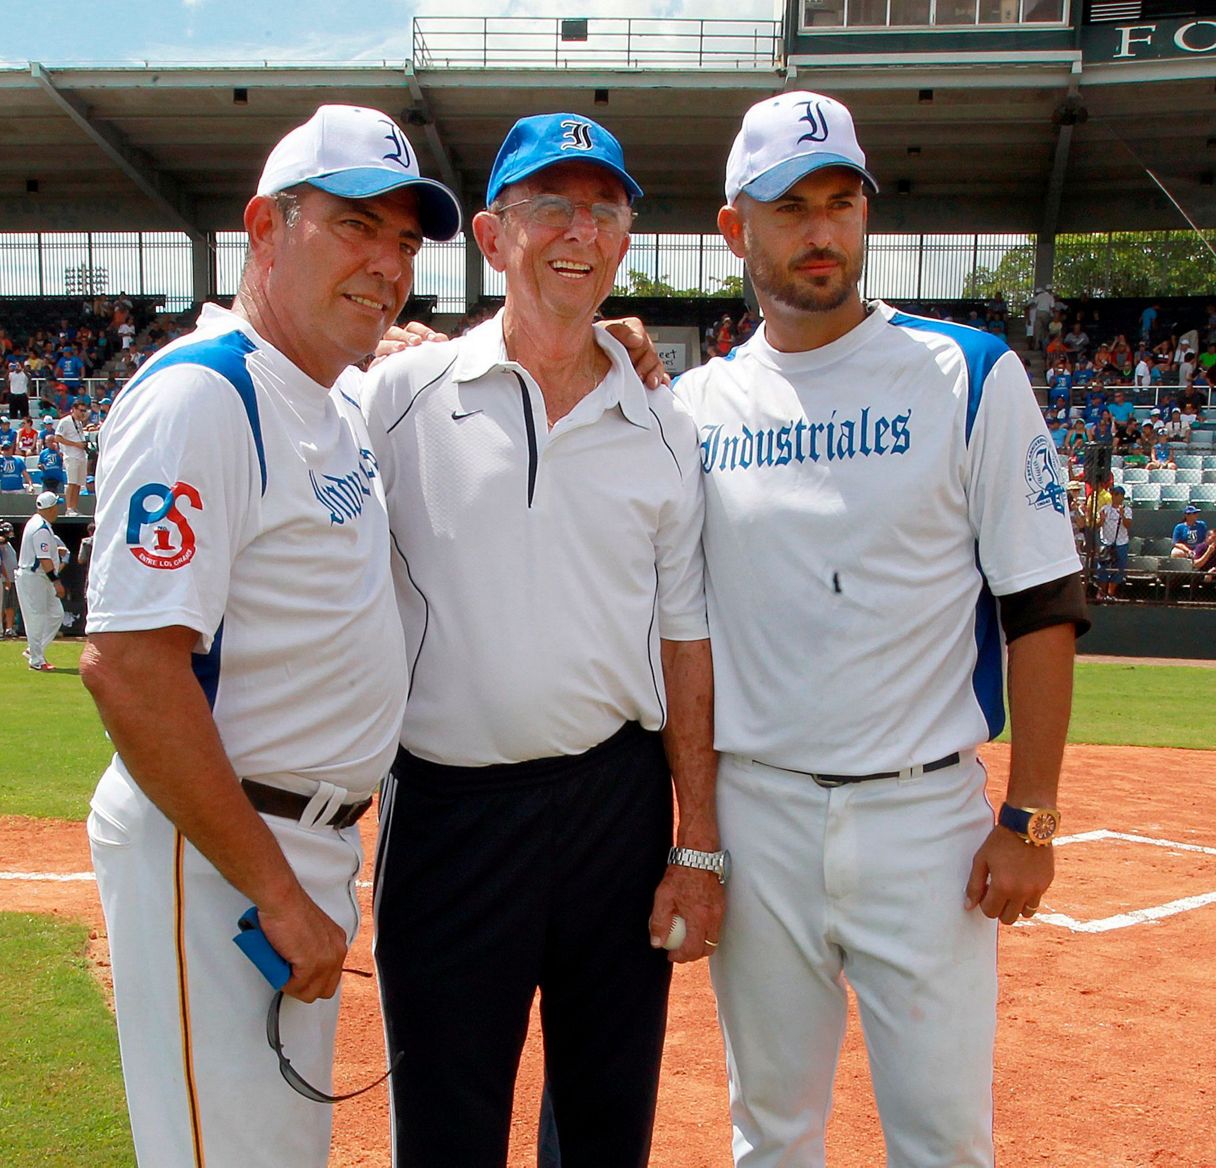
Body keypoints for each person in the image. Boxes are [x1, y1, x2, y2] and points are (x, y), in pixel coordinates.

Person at [673, 91, 1087, 1168]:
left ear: (864, 214)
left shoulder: (965, 372)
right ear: (735, 230)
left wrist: (1030, 816)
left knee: (943, 1138)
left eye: (840, 202)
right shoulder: (692, 409)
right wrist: (699, 835)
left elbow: (1040, 602)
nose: (819, 231)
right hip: (757, 816)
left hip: (924, 823)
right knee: (769, 1131)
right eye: (788, 206)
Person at [79, 105, 461, 1168]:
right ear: (264, 226)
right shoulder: (206, 395)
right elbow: (129, 668)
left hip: (299, 840)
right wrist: (273, 889)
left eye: (401, 240)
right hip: (221, 850)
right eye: (352, 226)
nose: (385, 262)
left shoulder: (324, 398)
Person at [361, 112, 719, 1168]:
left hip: (613, 810)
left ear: (622, 240)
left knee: (608, 1128)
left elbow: (683, 642)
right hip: (448, 812)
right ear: (491, 235)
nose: (579, 229)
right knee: (445, 1129)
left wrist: (694, 841)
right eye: (550, 206)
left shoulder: (664, 422)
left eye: (603, 210)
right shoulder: (394, 394)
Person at [17, 491, 67, 669]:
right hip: (34, 576)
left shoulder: (38, 522)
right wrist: (56, 581)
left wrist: (56, 551)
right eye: (56, 506)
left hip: (38, 575)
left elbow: (45, 553)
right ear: (51, 508)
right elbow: (44, 559)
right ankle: (37, 661)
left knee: (56, 614)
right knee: (36, 617)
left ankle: (33, 650)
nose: (58, 509)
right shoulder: (41, 528)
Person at [1095, 484, 1132, 601]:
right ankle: (1101, 593)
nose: (1114, 496)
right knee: (1103, 568)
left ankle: (1111, 593)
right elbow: (1097, 526)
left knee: (1119, 568)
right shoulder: (1105, 509)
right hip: (1106, 542)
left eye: (1116, 494)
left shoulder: (1127, 510)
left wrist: (1122, 515)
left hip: (1121, 543)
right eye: (1112, 494)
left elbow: (1128, 525)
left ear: (1122, 496)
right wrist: (1101, 520)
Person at [54, 400, 90, 509]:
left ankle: (74, 507)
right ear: (74, 409)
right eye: (80, 410)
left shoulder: (79, 423)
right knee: (72, 483)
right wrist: (75, 444)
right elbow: (57, 437)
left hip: (81, 456)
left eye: (84, 410)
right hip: (71, 456)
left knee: (78, 484)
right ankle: (69, 508)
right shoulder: (65, 421)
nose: (82, 413)